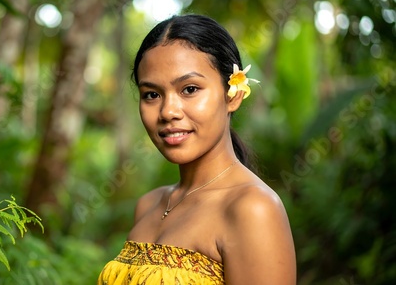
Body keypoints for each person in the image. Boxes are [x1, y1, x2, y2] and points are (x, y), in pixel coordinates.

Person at [98, 14, 296, 284]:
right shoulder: (149, 204)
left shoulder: (252, 208)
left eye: (189, 89)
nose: (168, 111)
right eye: (152, 95)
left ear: (233, 95)